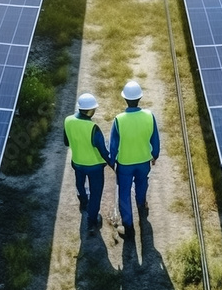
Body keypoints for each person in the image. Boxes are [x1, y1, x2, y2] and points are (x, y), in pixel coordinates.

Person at [110, 80, 159, 237]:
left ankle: (128, 227)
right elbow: (155, 140)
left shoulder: (119, 120)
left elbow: (113, 146)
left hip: (125, 164)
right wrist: (155, 155)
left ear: (125, 99)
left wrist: (112, 163)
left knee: (124, 193)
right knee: (142, 183)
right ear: (140, 98)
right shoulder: (149, 116)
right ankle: (141, 205)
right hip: (144, 161)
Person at [64, 92, 112, 234]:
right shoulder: (93, 128)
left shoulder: (68, 121)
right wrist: (112, 164)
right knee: (96, 194)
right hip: (95, 167)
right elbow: (103, 151)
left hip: (77, 163)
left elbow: (66, 142)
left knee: (80, 183)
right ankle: (91, 222)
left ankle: (83, 202)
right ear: (91, 110)